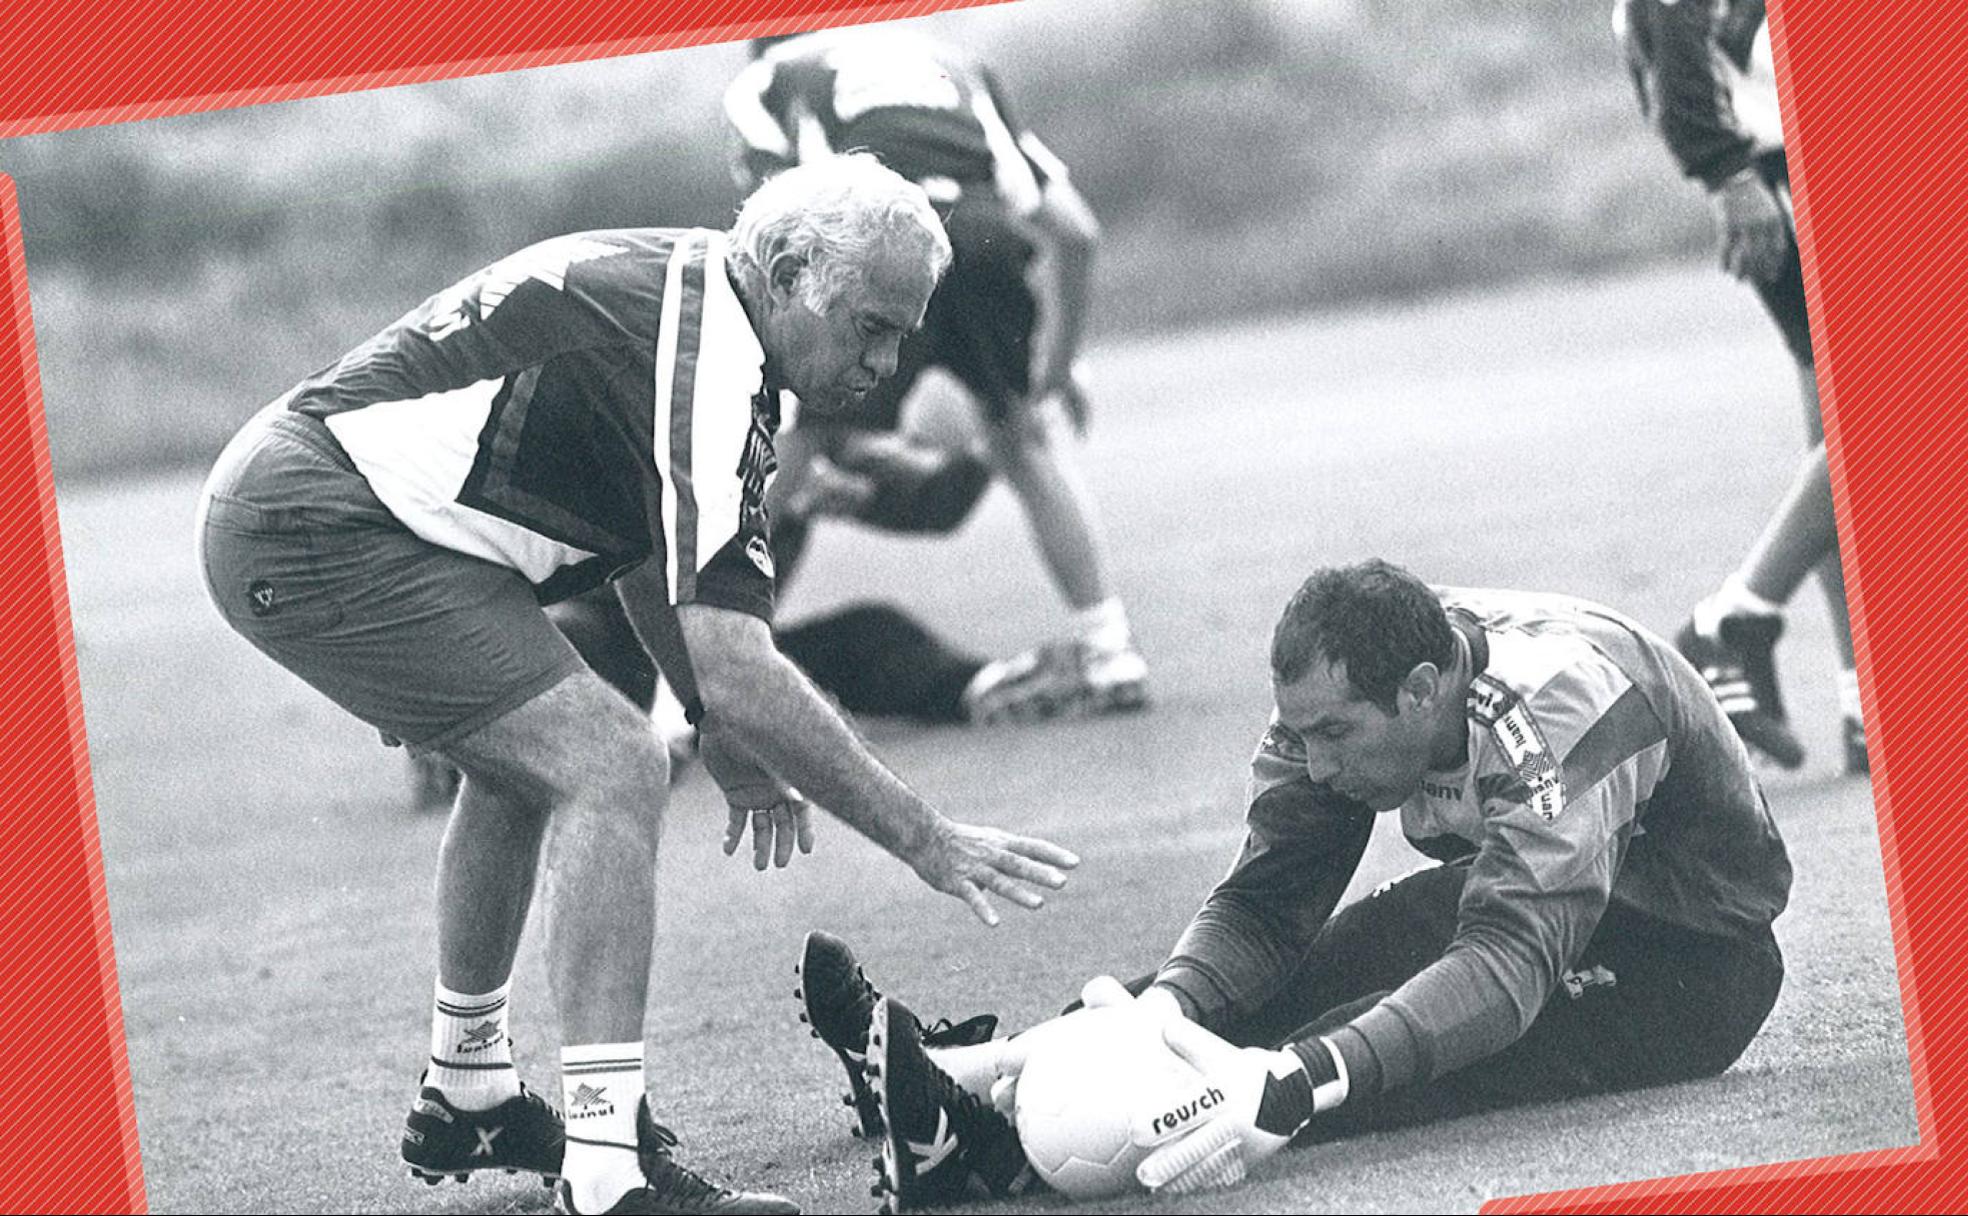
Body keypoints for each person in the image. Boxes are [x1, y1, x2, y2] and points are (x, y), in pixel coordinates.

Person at [195, 153, 1080, 1216]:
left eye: (903, 333)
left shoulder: (699, 301)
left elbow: (644, 559)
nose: (886, 364)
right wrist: (923, 835)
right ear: (792, 268)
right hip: (313, 518)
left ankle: (469, 1086)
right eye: (869, 326)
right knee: (610, 759)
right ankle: (607, 1175)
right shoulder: (710, 360)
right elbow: (739, 665)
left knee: (530, 762)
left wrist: (722, 727)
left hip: (320, 504)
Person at [795, 560, 1791, 1205]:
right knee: (1292, 979)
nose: (1314, 766)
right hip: (1544, 889)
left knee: (1328, 1055)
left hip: (1689, 962)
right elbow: (1266, 907)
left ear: (1420, 693)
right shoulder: (1356, 680)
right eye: (1300, 734)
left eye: (1336, 738)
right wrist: (1162, 1007)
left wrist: (1301, 1081)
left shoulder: (1558, 715)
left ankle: (991, 1154)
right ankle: (983, 1072)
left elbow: (1508, 964)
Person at [722, 28, 1150, 721]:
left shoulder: (769, 78)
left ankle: (701, 667)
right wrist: (1059, 363)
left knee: (789, 450)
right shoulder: (951, 62)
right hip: (983, 238)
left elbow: (768, 238)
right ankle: (1111, 648)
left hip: (874, 243)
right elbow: (1078, 234)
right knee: (1026, 444)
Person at [1614, 0, 1866, 774]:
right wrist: (1725, 172)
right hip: (1783, 162)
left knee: (1833, 443)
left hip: (1804, 151)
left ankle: (1869, 704)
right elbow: (1664, 19)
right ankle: (1730, 623)